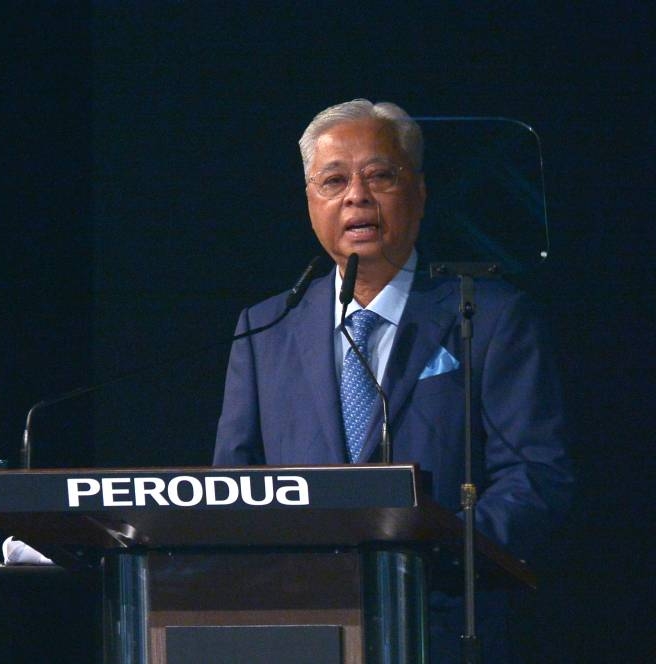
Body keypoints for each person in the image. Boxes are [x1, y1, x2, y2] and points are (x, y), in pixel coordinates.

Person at [213, 99, 573, 662]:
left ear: (420, 193)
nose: (357, 195)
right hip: (301, 629)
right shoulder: (265, 328)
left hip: (442, 625)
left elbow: (535, 474)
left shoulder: (490, 316)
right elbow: (232, 484)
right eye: (333, 180)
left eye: (380, 175)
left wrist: (435, 550)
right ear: (310, 202)